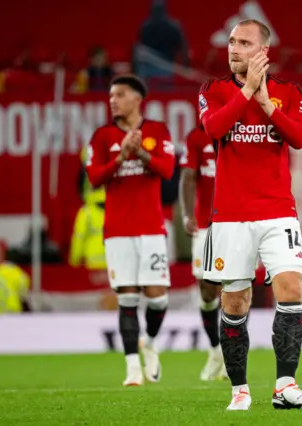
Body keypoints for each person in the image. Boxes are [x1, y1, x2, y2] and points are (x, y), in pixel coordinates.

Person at [198, 19, 302, 410]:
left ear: (263, 51)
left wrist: (266, 102)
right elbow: (214, 129)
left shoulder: (289, 92)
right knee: (235, 303)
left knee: (291, 289)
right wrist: (248, 90)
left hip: (277, 212)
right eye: (231, 41)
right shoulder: (212, 90)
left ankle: (285, 385)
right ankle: (239, 390)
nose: (233, 48)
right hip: (231, 216)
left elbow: (299, 138)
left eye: (244, 42)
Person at [85, 74, 175, 387]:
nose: (113, 100)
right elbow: (94, 177)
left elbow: (167, 170)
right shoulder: (101, 136)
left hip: (150, 228)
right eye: (111, 95)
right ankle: (132, 369)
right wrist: (120, 156)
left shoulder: (157, 131)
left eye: (119, 94)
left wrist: (140, 154)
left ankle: (149, 342)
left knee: (157, 298)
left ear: (137, 98)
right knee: (127, 296)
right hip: (118, 231)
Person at [179, 125, 228, 381]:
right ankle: (215, 350)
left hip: (237, 224)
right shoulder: (197, 138)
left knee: (236, 288)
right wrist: (187, 215)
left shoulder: (244, 131)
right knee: (208, 291)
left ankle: (232, 355)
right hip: (205, 225)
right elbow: (188, 176)